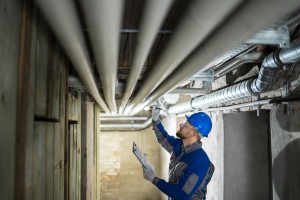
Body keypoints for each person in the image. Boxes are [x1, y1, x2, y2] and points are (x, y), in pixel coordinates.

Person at [142, 106, 214, 200]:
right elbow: (163, 138)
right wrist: (155, 119)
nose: (181, 125)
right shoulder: (180, 146)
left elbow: (181, 194)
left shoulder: (199, 161)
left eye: (186, 125)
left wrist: (153, 179)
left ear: (193, 133)